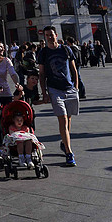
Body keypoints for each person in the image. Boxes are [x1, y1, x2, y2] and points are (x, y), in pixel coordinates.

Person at [37, 26, 80, 166]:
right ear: (45, 37)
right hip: (54, 89)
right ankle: (69, 153)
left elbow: (74, 69)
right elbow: (42, 74)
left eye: (51, 34)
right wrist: (44, 92)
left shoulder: (66, 49)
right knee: (62, 119)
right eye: (47, 35)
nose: (50, 37)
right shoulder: (43, 52)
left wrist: (76, 87)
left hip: (69, 88)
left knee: (68, 118)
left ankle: (64, 140)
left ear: (56, 35)